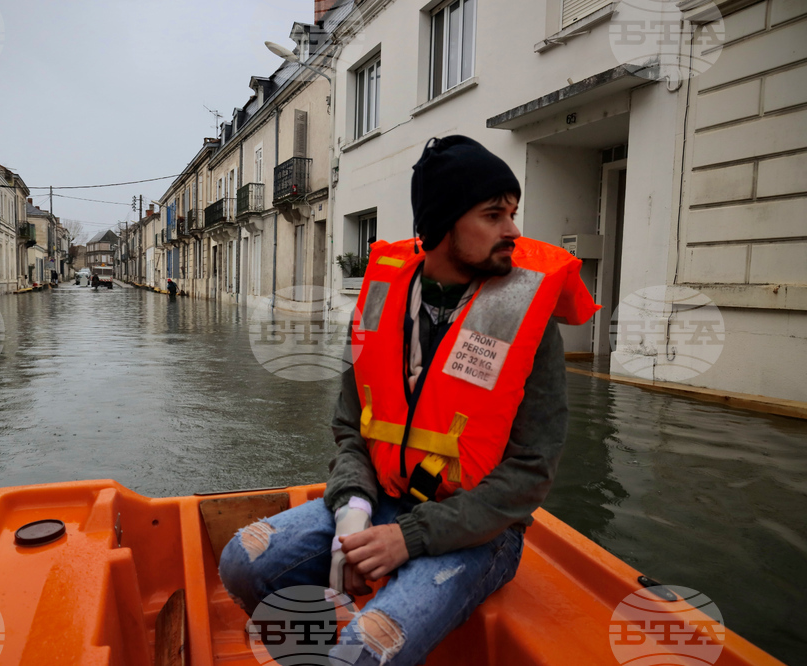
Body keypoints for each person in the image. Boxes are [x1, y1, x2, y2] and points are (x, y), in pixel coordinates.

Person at [218, 136, 599, 665]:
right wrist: (353, 511)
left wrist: (410, 537)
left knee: (368, 649)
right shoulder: (379, 301)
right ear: (443, 223)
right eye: (493, 215)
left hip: (480, 532)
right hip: (382, 498)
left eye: (513, 214)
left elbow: (531, 474)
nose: (513, 231)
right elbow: (350, 430)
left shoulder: (529, 322)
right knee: (243, 560)